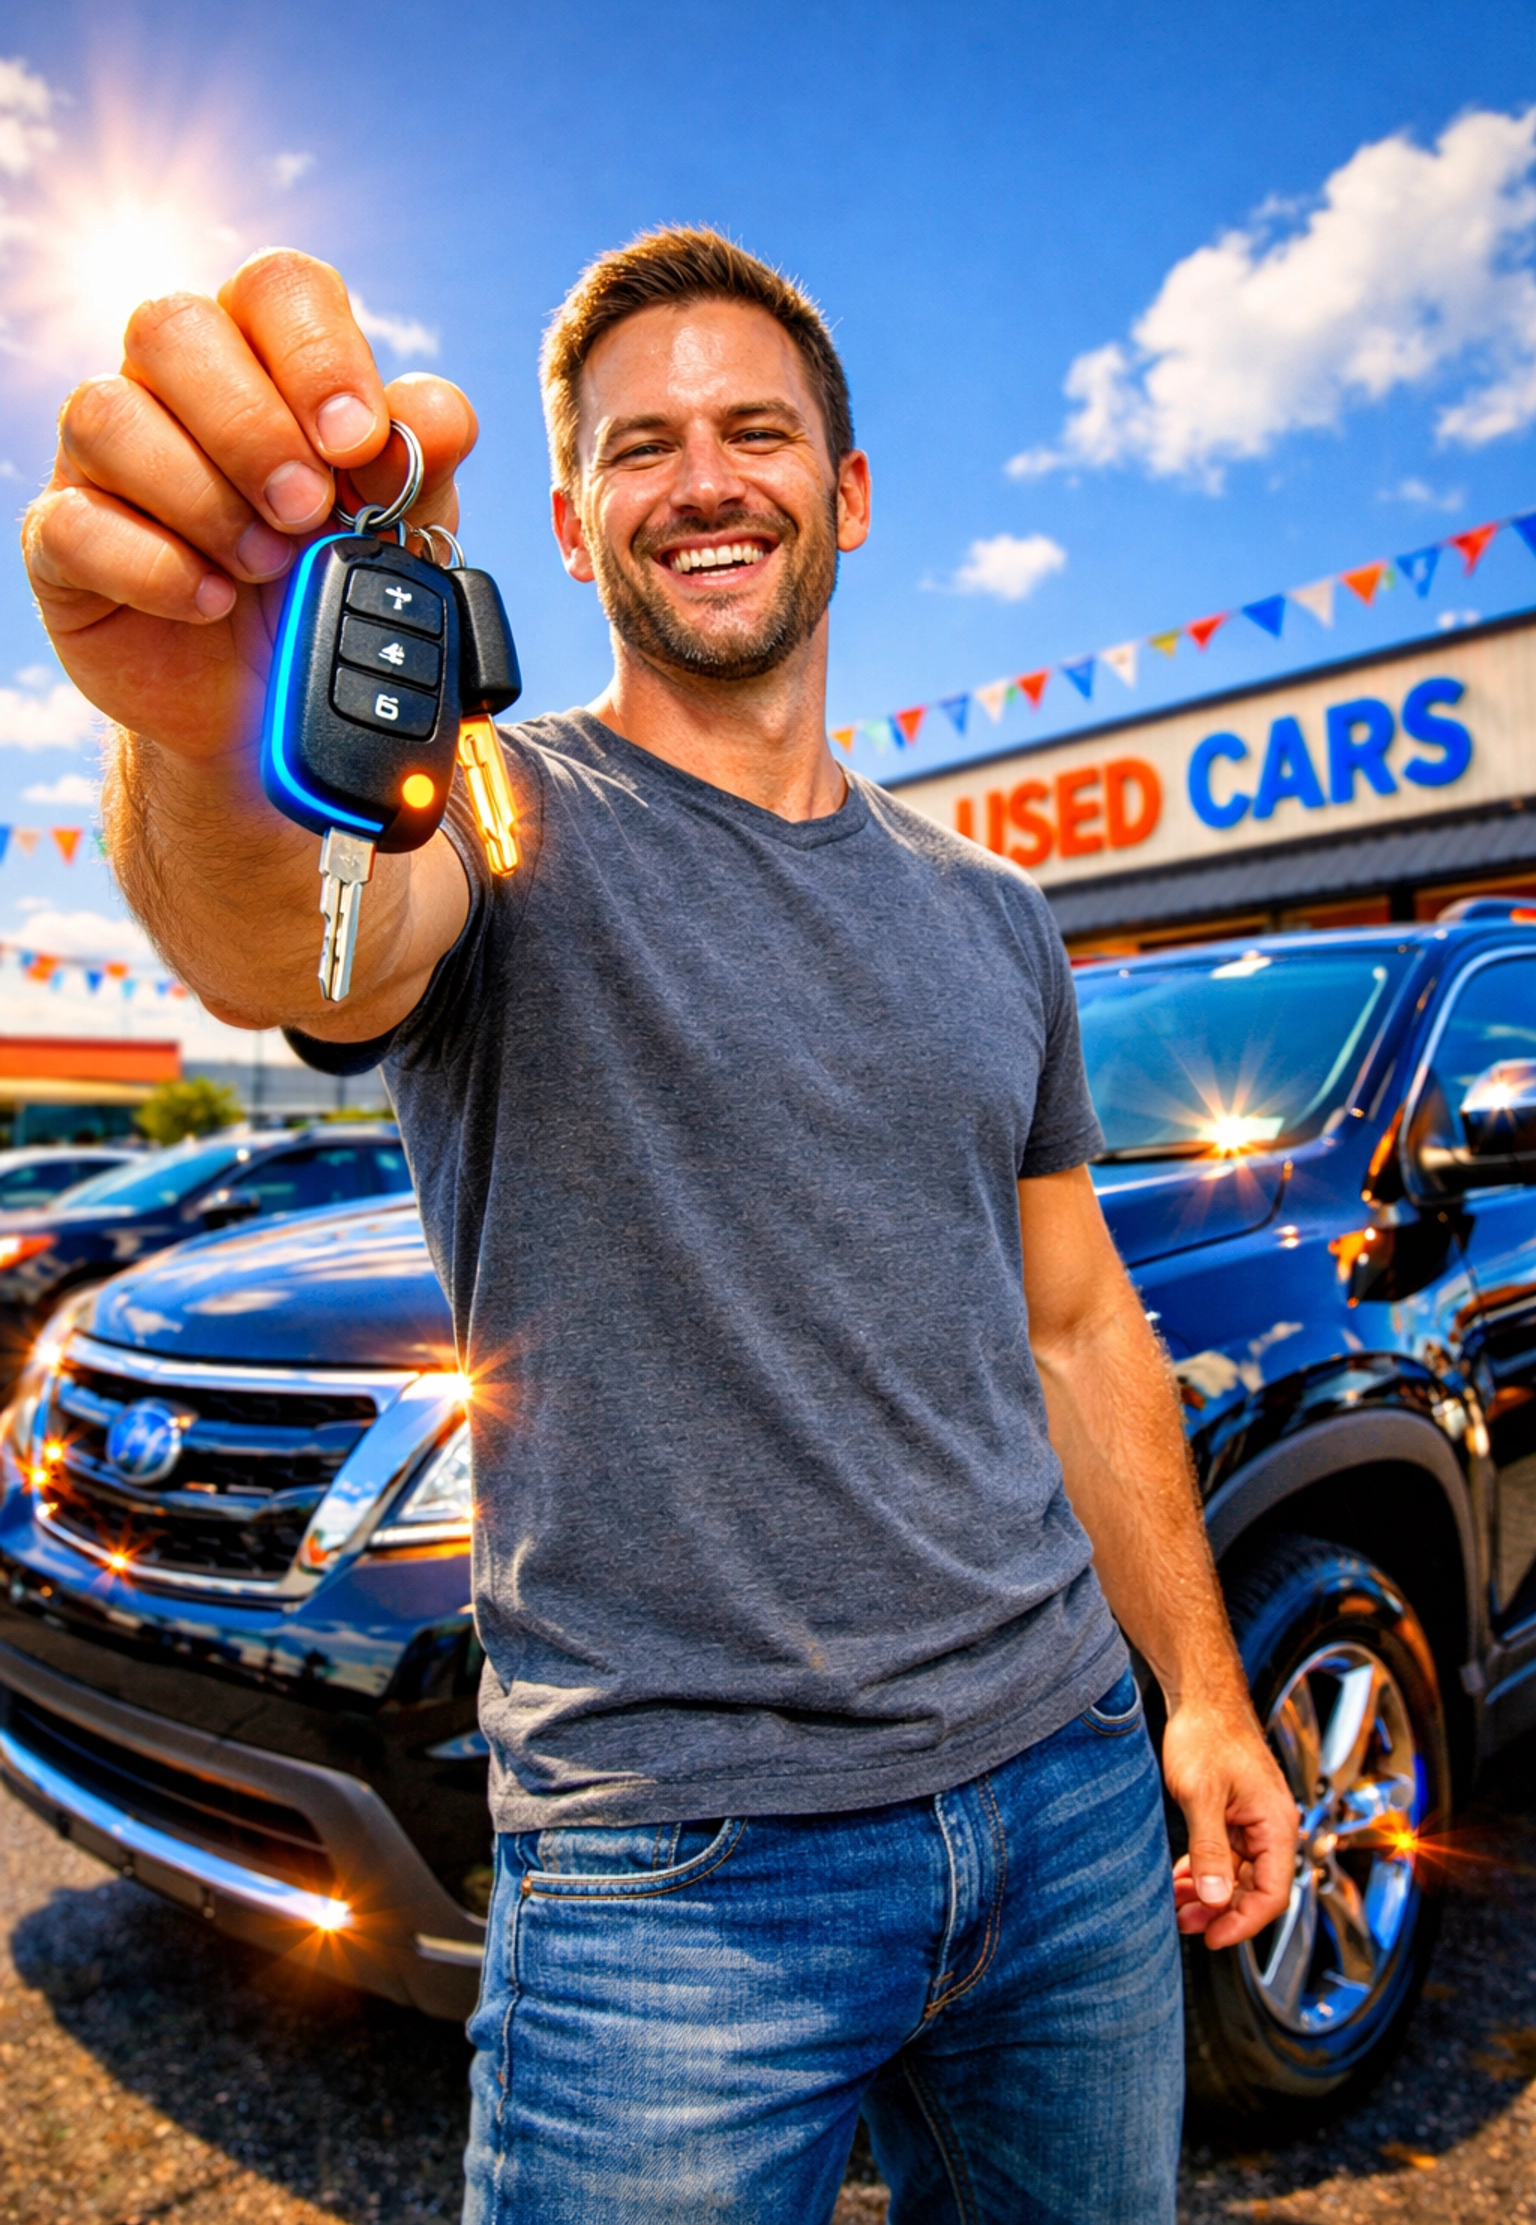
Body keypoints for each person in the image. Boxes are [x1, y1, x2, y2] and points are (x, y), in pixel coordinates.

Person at [24, 229, 1297, 2224]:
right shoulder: (498, 819)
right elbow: (308, 935)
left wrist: (1203, 1694)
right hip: (677, 1888)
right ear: (568, 515)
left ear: (848, 492)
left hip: (1062, 1803)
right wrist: (213, 746)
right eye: (643, 447)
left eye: (755, 430)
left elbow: (1077, 1330)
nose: (702, 478)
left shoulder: (996, 916)